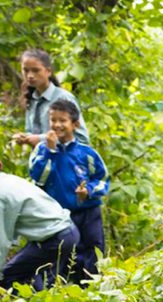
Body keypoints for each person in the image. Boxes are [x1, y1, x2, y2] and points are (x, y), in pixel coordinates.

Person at [0, 143, 79, 291]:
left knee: (8, 278)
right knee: (43, 282)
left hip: (54, 240)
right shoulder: (11, 180)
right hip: (69, 231)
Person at [28, 99, 109, 282]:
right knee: (60, 257)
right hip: (57, 215)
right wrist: (50, 151)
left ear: (75, 124)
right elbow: (38, 177)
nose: (57, 125)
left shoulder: (87, 153)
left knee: (93, 255)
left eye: (62, 120)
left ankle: (91, 292)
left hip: (88, 213)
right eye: (53, 120)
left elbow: (103, 179)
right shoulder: (41, 150)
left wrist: (88, 190)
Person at [12, 49, 89, 147]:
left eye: (36, 70)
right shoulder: (32, 99)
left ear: (48, 71)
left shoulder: (63, 98)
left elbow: (82, 138)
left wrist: (41, 139)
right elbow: (32, 132)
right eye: (26, 70)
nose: (30, 75)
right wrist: (25, 138)